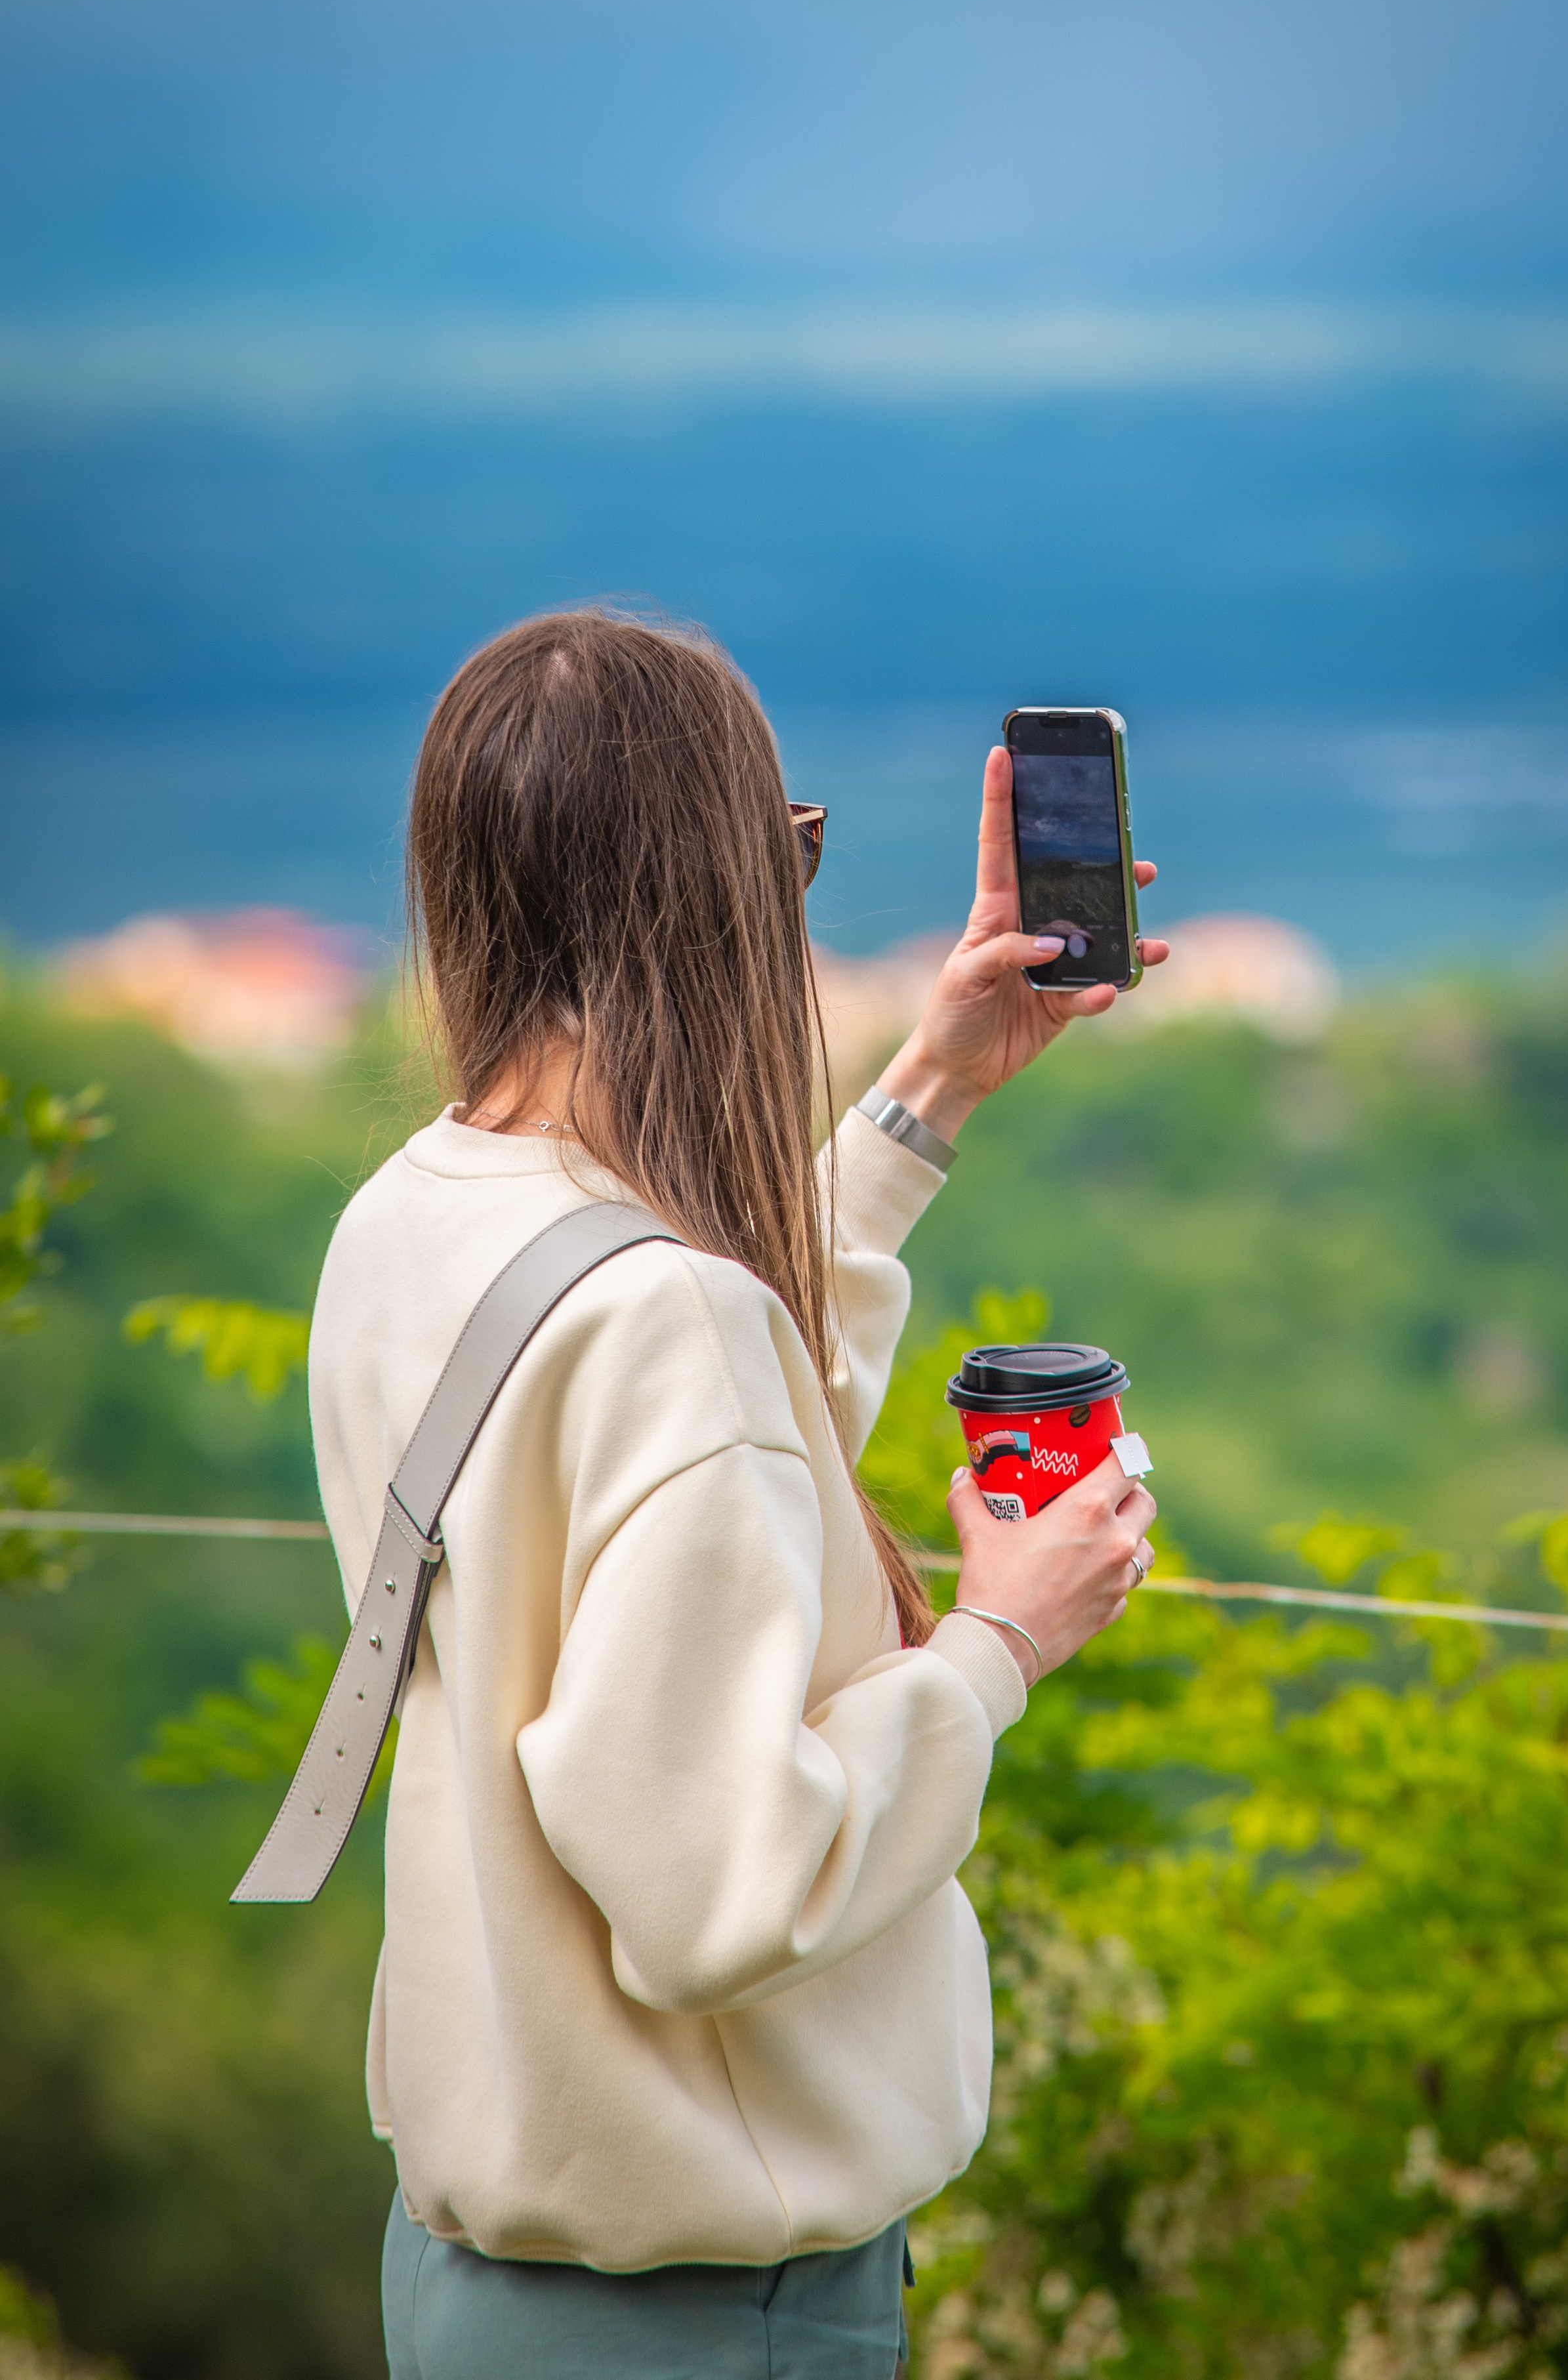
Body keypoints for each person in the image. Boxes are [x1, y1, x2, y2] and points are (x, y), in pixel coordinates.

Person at [308, 609, 1164, 2379]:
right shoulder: (667, 1320)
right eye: (793, 851)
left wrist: (923, 1098)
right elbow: (725, 1893)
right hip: (704, 2316)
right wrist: (1003, 1638)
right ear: (709, 889)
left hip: (470, 2276)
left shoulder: (411, 1215)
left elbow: (677, 1460)